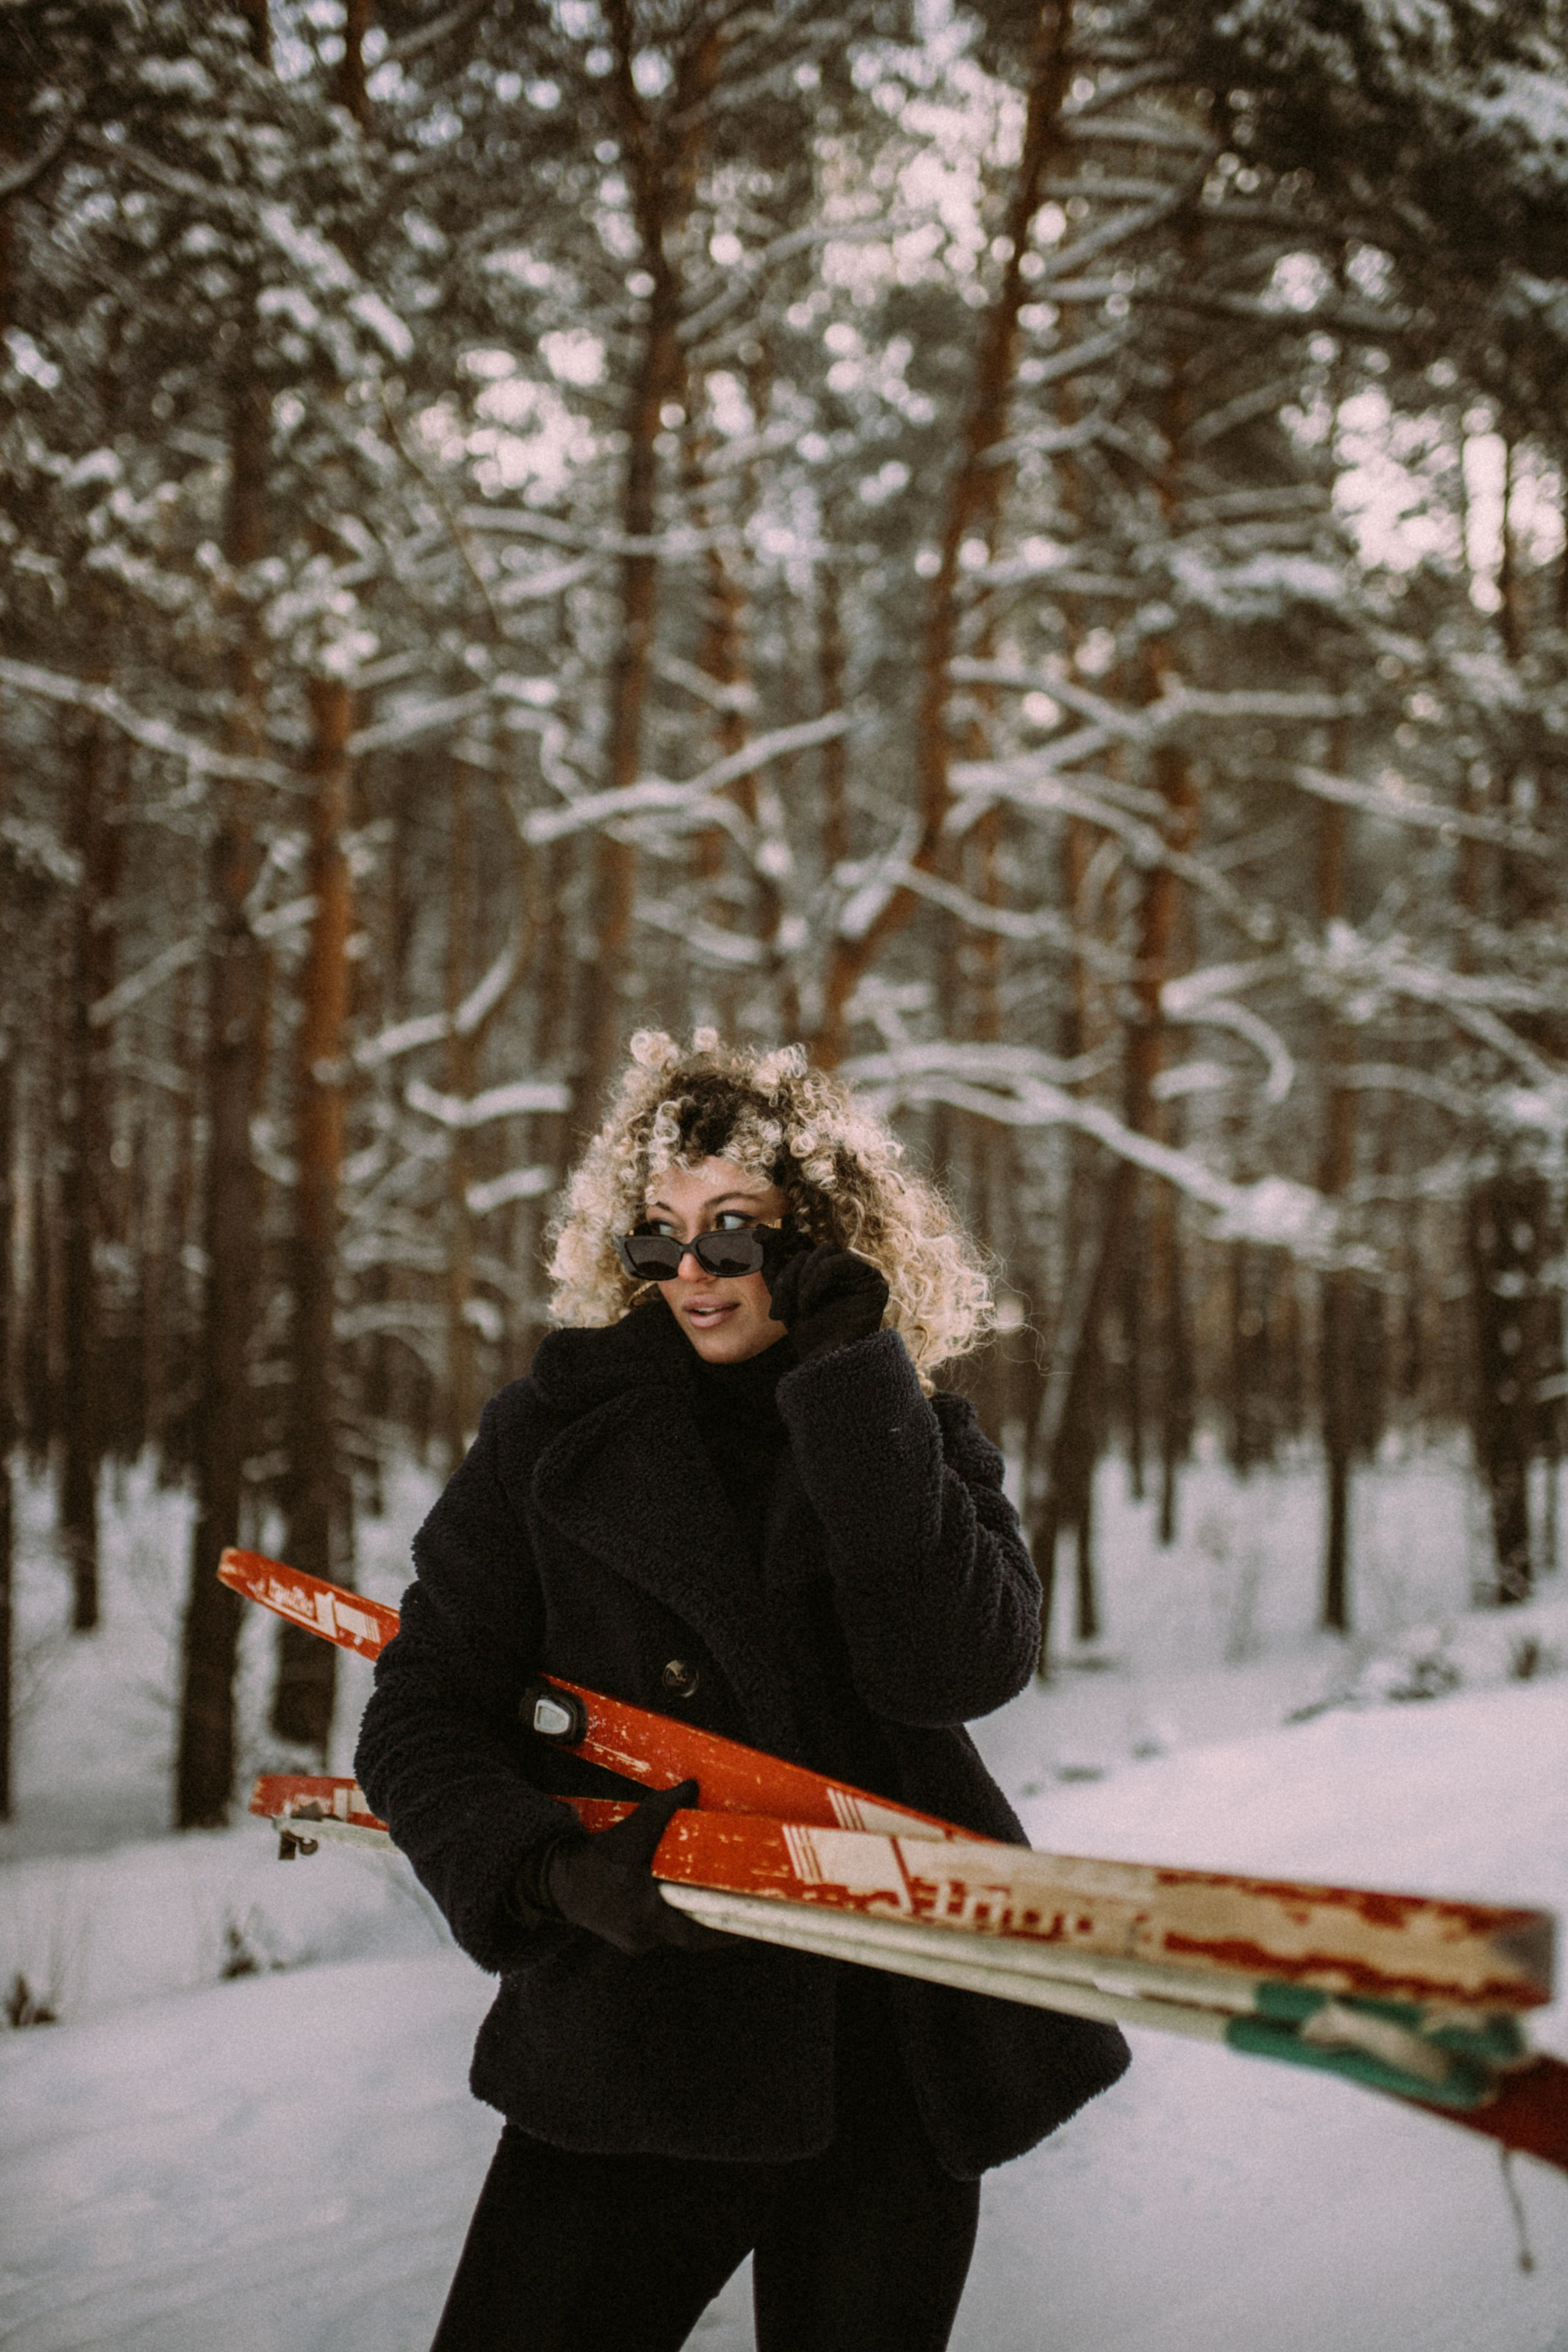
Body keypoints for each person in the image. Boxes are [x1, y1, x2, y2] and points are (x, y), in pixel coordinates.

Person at [355, 1030, 1129, 2352]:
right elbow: (420, 1711)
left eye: (737, 1234)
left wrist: (849, 1386)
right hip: (639, 2043)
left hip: (890, 2051)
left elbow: (964, 1668)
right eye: (658, 1239)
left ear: (819, 1241)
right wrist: (548, 1872)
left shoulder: (906, 1427)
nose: (692, 1275)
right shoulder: (551, 1441)